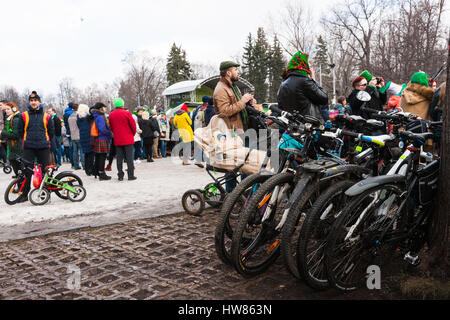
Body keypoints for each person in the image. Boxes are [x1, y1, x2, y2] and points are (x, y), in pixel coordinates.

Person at [17, 91, 55, 200]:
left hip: (43, 147)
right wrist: (26, 140)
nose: (34, 102)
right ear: (29, 102)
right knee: (26, 171)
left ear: (39, 102)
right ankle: (25, 194)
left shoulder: (47, 116)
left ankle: (45, 192)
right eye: (32, 101)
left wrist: (48, 144)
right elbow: (20, 131)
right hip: (29, 147)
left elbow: (51, 132)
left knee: (45, 171)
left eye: (36, 100)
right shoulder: (23, 115)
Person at [277, 52, 328, 121]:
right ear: (304, 65)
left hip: (291, 126)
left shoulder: (283, 85)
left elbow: (280, 107)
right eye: (309, 64)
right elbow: (324, 98)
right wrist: (313, 80)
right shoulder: (304, 81)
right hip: (308, 126)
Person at [108, 97, 137, 181]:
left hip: (118, 139)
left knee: (119, 158)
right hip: (128, 138)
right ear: (122, 104)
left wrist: (116, 133)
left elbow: (111, 127)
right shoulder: (127, 113)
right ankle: (130, 175)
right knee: (129, 158)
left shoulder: (111, 114)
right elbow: (133, 125)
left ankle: (120, 175)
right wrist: (132, 134)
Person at [0, 102, 22, 176]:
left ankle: (21, 186)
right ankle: (19, 185)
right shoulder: (10, 119)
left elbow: (15, 135)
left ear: (14, 109)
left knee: (19, 171)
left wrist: (2, 133)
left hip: (16, 149)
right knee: (17, 172)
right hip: (12, 148)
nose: (6, 111)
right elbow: (8, 133)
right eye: (5, 109)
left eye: (8, 109)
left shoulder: (16, 119)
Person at [91, 102, 112, 180]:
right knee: (102, 157)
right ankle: (102, 173)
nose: (105, 108)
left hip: (98, 138)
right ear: (101, 108)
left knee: (99, 156)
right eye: (104, 107)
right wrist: (109, 133)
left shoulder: (97, 116)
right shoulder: (100, 117)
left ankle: (97, 171)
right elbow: (102, 129)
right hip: (102, 138)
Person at [77, 104, 95, 176]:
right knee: (91, 154)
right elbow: (92, 111)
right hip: (89, 137)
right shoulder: (88, 117)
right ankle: (91, 169)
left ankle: (87, 170)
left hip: (82, 137)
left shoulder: (79, 118)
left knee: (86, 154)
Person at [68, 104, 84, 170]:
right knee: (82, 151)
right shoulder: (78, 116)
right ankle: (84, 165)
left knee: (75, 152)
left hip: (73, 136)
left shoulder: (70, 117)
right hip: (79, 135)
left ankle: (76, 165)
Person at [63, 102, 75, 166]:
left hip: (68, 132)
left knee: (70, 148)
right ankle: (75, 163)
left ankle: (72, 163)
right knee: (74, 148)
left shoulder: (65, 113)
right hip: (73, 132)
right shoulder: (72, 113)